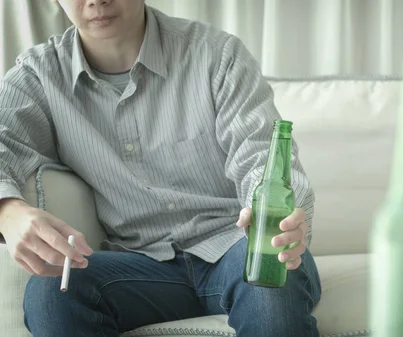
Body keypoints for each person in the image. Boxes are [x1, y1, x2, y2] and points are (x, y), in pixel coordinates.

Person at [0, 0, 321, 336]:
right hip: (136, 269)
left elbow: (261, 156)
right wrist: (9, 212)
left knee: (271, 276)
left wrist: (277, 219)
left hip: (235, 248)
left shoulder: (217, 55)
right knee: (52, 290)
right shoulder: (39, 74)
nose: (96, 0)